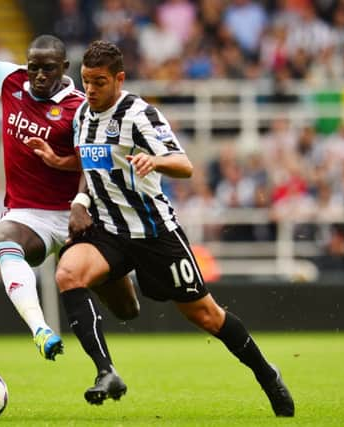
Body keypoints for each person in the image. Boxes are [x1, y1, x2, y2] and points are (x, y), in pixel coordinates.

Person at [54, 40, 295, 417]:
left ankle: (267, 375)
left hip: (155, 234)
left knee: (206, 316)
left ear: (119, 79)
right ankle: (107, 372)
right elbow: (91, 161)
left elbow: (184, 165)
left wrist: (155, 161)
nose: (91, 90)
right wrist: (77, 194)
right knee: (68, 273)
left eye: (99, 82)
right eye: (85, 81)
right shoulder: (82, 116)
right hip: (110, 231)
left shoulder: (139, 115)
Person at [0, 1, 138, 361]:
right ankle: (40, 329)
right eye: (34, 68)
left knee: (127, 310)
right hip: (28, 215)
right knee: (2, 237)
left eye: (48, 69)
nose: (39, 76)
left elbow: (95, 162)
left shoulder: (80, 107)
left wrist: (72, 186)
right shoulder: (12, 80)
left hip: (77, 214)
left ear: (64, 68)